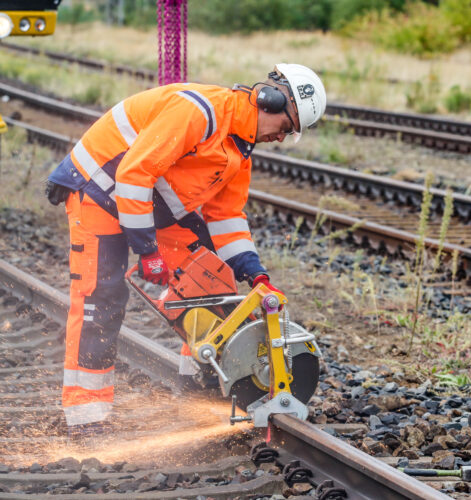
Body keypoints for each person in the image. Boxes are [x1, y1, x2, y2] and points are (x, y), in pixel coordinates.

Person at [46, 63, 326, 438]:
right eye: (287, 127)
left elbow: (226, 217)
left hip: (147, 202)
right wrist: (148, 251)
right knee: (101, 296)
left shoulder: (239, 150)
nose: (283, 136)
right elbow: (132, 175)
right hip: (98, 190)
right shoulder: (198, 113)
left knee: (213, 282)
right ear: (271, 101)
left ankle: (199, 393)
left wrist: (255, 274)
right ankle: (86, 415)